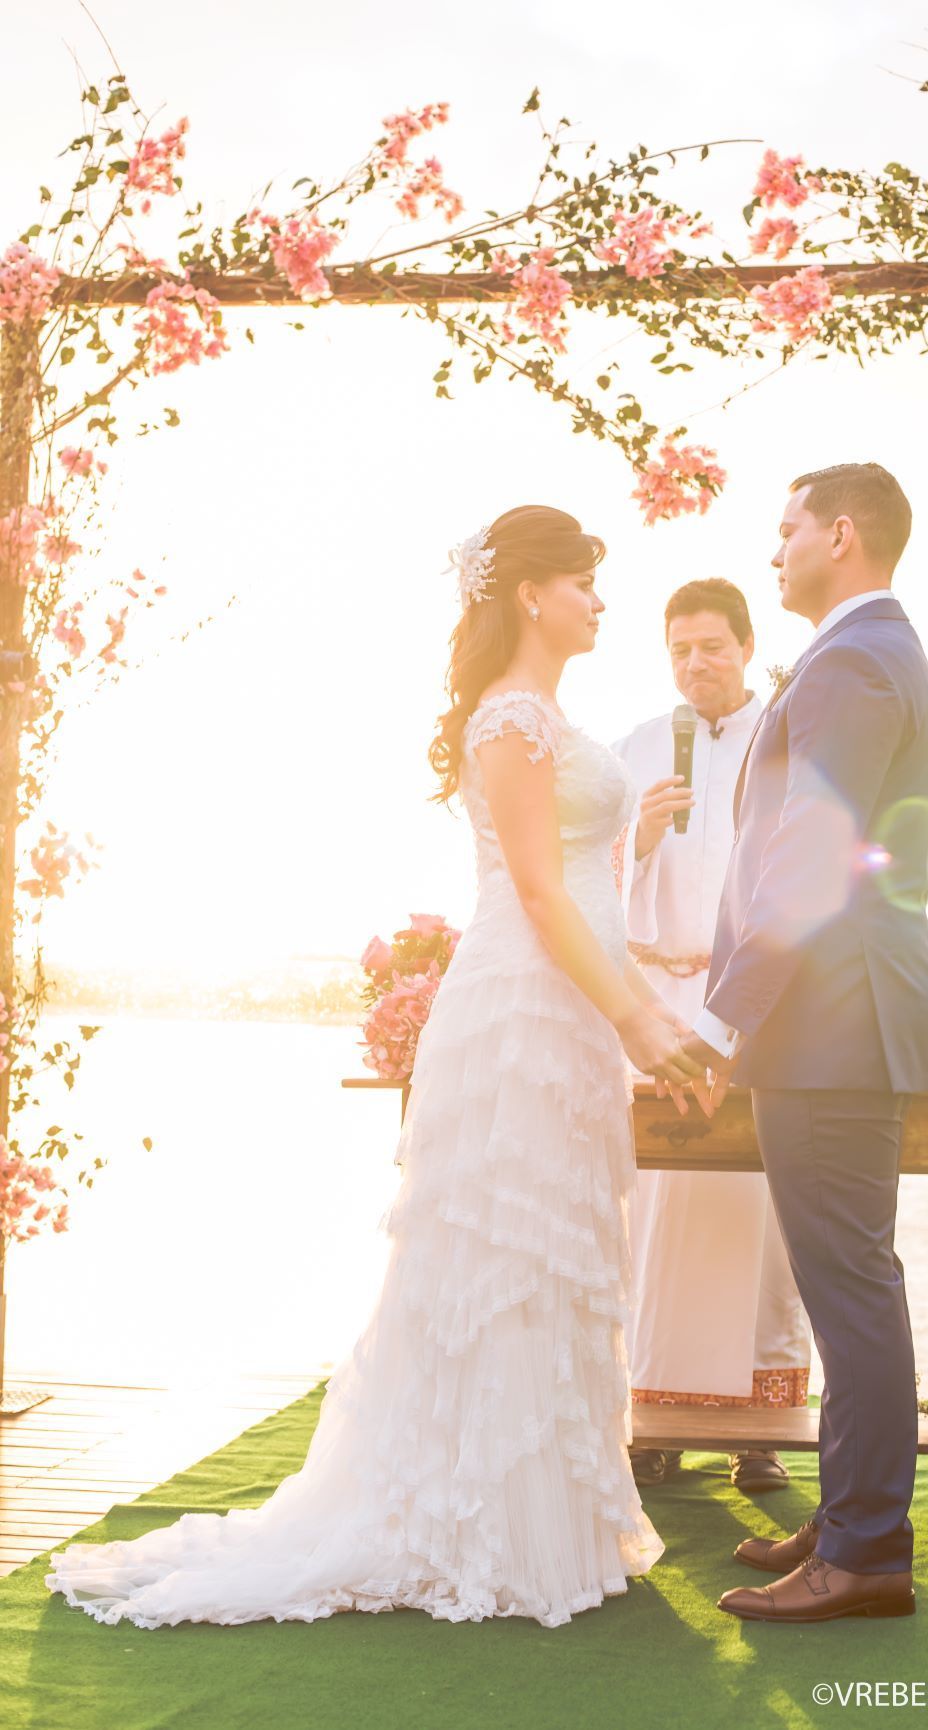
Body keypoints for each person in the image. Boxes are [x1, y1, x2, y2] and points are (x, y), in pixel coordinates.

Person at [46, 505, 708, 1631]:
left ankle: (552, 1512)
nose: (601, 600)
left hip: (573, 1011)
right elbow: (537, 895)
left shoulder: (551, 717)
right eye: (584, 580)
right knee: (500, 1254)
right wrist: (643, 1018)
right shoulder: (508, 717)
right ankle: (476, 1523)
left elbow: (578, 876)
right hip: (521, 1015)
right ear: (529, 595)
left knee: (562, 1250)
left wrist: (634, 867)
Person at [679, 463, 928, 1625]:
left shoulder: (850, 659)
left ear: (841, 534)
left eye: (787, 527)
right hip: (845, 1018)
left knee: (851, 1291)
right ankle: (851, 1519)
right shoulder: (876, 654)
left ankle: (869, 1552)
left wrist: (726, 1012)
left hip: (830, 1026)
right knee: (855, 1285)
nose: (774, 545)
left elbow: (809, 849)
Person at [613, 579, 809, 1494]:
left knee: (757, 1215)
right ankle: (650, 1421)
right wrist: (639, 839)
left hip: (747, 1000)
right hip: (660, 1000)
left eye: (712, 648)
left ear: (743, 646)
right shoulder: (639, 750)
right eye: (680, 649)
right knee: (657, 1208)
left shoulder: (784, 734)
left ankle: (757, 1431)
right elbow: (593, 880)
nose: (696, 664)